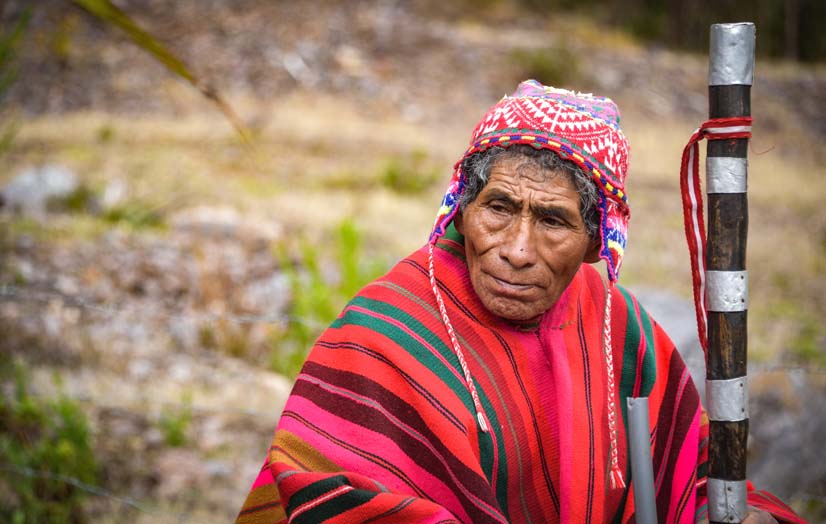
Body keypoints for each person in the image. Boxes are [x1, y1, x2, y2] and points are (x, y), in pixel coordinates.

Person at [236, 81, 804, 523]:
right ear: (461, 209)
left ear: (593, 242)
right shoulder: (382, 332)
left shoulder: (616, 324)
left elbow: (693, 480)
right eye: (499, 208)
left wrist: (729, 512)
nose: (516, 250)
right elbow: (330, 493)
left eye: (554, 220)